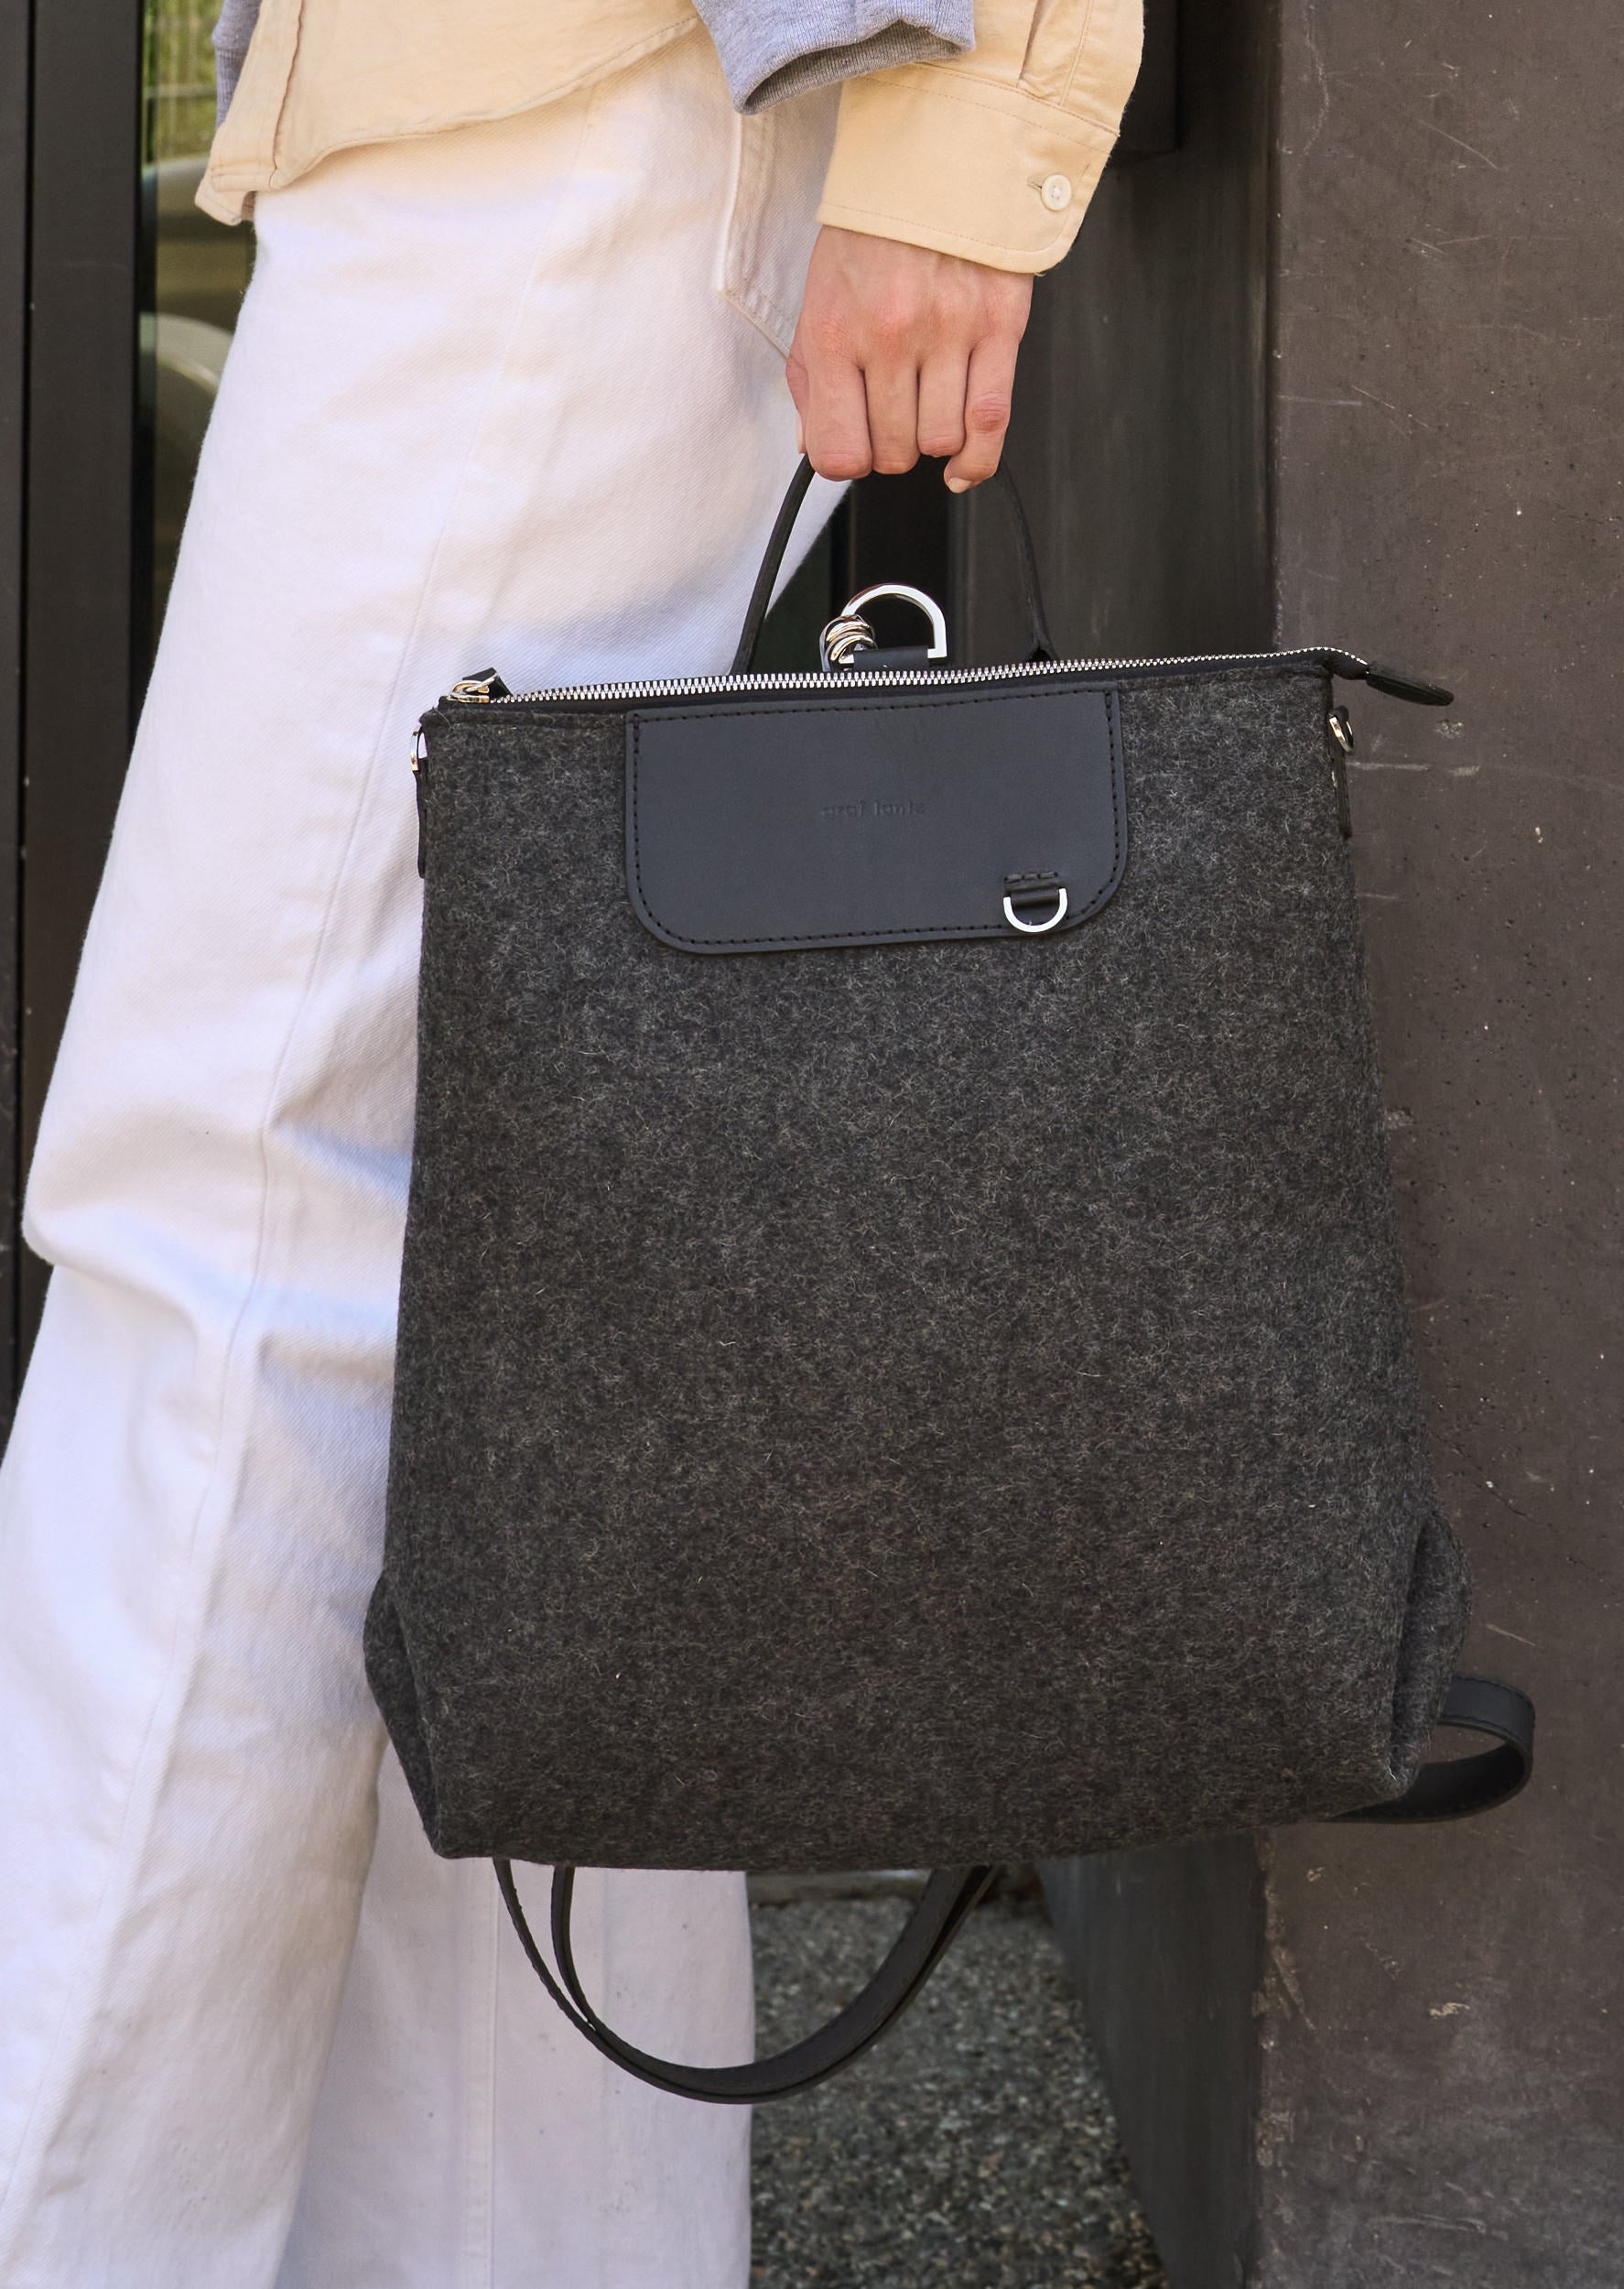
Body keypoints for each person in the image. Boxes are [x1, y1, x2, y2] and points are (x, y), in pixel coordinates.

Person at [0, 0, 1139, 2281]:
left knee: (235, 1234)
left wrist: (953, 104)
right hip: (563, 119)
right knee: (488, 1297)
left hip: (565, 135)